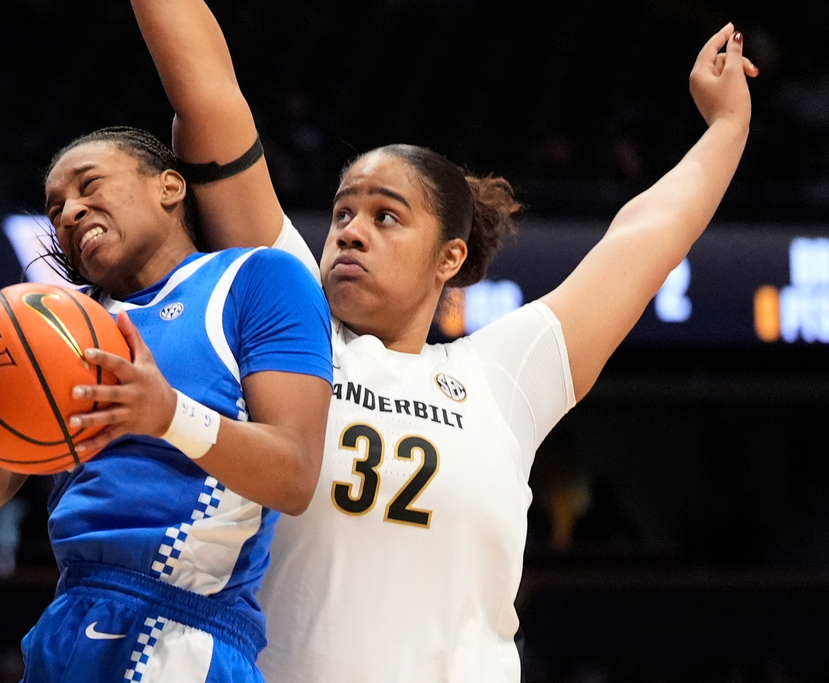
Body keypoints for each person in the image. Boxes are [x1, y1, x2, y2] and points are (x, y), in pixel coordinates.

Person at [129, 2, 757, 681]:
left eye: (385, 215)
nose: (349, 230)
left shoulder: (502, 375)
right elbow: (209, 100)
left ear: (449, 257)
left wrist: (729, 124)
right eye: (342, 211)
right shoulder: (292, 323)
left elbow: (646, 237)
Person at [0, 125, 334, 682]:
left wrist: (169, 416)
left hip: (186, 631)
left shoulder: (254, 278)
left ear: (169, 187)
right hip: (67, 621)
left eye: (89, 185)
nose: (69, 212)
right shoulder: (57, 325)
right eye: (55, 210)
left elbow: (294, 475)